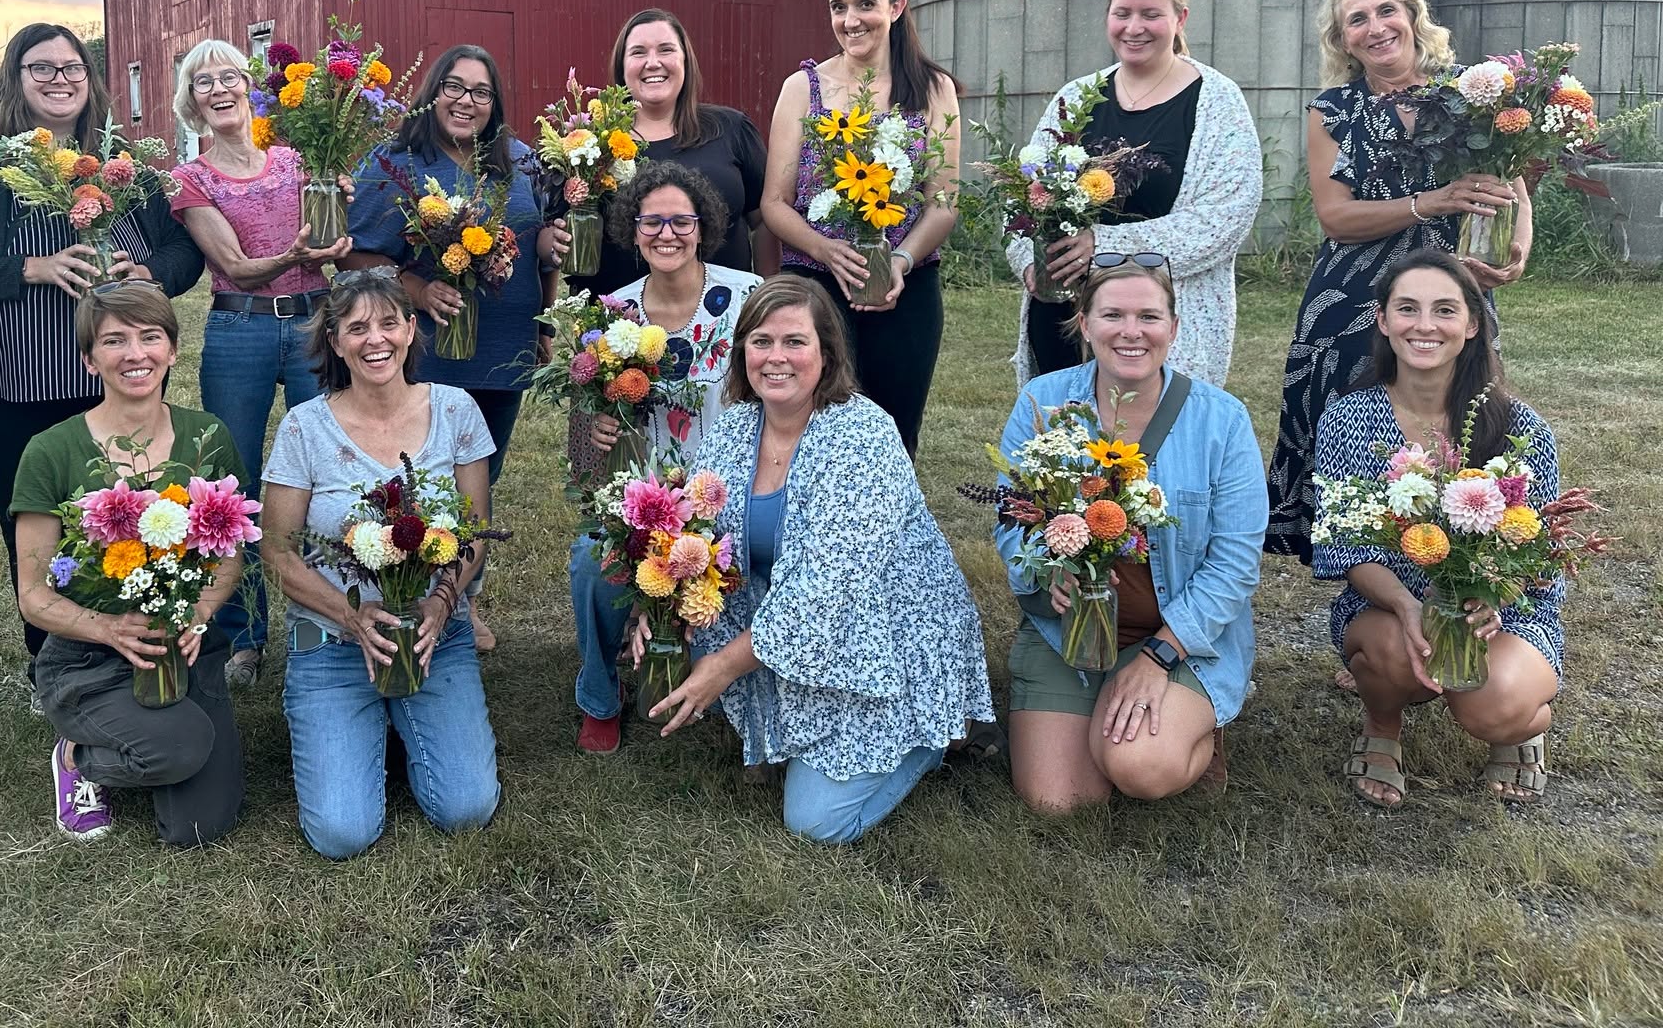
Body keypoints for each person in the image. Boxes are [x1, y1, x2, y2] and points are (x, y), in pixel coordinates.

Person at [646, 277, 993, 845]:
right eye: (760, 341)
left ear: (827, 352)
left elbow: (827, 587)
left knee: (815, 823)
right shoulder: (735, 426)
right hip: (796, 623)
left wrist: (723, 666)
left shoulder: (863, 435)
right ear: (742, 353)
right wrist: (660, 609)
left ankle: (931, 734)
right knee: (772, 767)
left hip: (881, 635)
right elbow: (703, 540)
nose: (775, 358)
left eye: (794, 342)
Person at [0, 23, 204, 676]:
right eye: (41, 68)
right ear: (15, 78)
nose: (59, 80)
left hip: (119, 384)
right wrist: (29, 270)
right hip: (20, 388)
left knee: (124, 519)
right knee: (36, 528)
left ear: (90, 79)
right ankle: (48, 659)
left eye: (71, 68)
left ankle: (123, 643)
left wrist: (149, 273)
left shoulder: (119, 163)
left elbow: (185, 252)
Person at [1265, 0, 1529, 561]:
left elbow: (1511, 179)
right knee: (1354, 427)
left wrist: (1516, 252)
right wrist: (1430, 203)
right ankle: (1361, 567)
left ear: (1412, 16)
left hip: (1451, 291)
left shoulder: (1469, 91)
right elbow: (1335, 216)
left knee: (1458, 415)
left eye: (1386, 11)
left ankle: (1456, 546)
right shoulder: (1333, 110)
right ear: (1343, 40)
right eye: (1356, 20)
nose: (1375, 28)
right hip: (1351, 300)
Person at [994, 257, 1266, 813]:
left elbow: (1236, 563)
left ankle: (1188, 724)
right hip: (1067, 630)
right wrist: (1045, 577)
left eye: (1149, 316)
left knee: (1139, 767)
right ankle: (1100, 707)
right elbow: (1011, 521)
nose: (1131, 332)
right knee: (1061, 800)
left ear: (1174, 327)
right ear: (1085, 323)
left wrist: (1159, 657)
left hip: (1183, 637)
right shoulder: (1042, 404)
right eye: (1113, 314)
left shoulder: (1223, 420)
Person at [257, 269, 501, 858]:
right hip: (333, 643)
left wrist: (443, 606)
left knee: (465, 809)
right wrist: (350, 616)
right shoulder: (304, 428)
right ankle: (366, 727)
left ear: (412, 330)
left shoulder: (455, 410)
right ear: (335, 341)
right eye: (357, 328)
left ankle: (399, 726)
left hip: (432, 638)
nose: (376, 340)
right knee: (342, 834)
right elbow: (278, 550)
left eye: (390, 323)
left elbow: (474, 534)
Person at [1318, 253, 1564, 807]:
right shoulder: (1348, 419)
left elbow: (1540, 548)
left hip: (1503, 609)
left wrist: (1493, 596)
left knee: (1493, 706)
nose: (1424, 325)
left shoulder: (1519, 427)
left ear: (1472, 324)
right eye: (1407, 308)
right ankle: (1382, 726)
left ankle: (1521, 727)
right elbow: (1344, 546)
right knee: (1388, 653)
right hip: (1388, 604)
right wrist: (1408, 606)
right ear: (1383, 321)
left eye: (1444, 310)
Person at [345, 46, 564, 651]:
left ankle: (460, 600)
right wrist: (415, 287)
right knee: (419, 479)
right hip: (428, 353)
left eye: (482, 92)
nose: (467, 101)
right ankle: (402, 593)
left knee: (478, 480)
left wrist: (543, 319)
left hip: (501, 348)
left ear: (495, 105)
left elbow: (536, 240)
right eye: (455, 87)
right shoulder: (394, 164)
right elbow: (358, 253)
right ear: (432, 93)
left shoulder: (518, 163)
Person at [9, 283, 245, 844]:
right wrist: (109, 628)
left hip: (183, 647)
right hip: (89, 655)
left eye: (150, 337)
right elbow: (33, 594)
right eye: (114, 340)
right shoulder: (51, 450)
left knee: (200, 826)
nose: (135, 354)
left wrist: (200, 613)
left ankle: (159, 741)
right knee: (181, 746)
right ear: (90, 359)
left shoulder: (207, 436)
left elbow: (229, 558)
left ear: (173, 350)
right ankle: (79, 757)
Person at [167, 38, 352, 691]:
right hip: (239, 328)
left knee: (327, 470)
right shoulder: (190, 181)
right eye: (202, 82)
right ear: (190, 102)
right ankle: (244, 637)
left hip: (313, 324)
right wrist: (300, 250)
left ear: (249, 88)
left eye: (229, 77)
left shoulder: (297, 160)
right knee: (233, 486)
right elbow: (239, 265)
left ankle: (330, 616)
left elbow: (330, 248)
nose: (218, 88)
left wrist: (338, 222)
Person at [569, 164, 762, 753]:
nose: (667, 232)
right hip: (639, 504)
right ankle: (600, 694)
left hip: (730, 497)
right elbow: (580, 461)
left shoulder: (747, 300)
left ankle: (713, 668)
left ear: (704, 228)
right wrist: (594, 432)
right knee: (589, 559)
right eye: (652, 221)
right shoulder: (609, 316)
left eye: (682, 220)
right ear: (633, 229)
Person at [1007, 0, 1262, 386]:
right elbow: (1024, 192)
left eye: (1151, 14)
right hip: (1065, 315)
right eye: (1122, 13)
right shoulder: (1078, 96)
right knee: (1061, 441)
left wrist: (1103, 246)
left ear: (1180, 18)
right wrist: (1030, 264)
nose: (1134, 27)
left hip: (1157, 327)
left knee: (1152, 444)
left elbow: (1224, 218)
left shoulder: (1217, 102)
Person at [761, 0, 961, 457]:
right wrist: (828, 251)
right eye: (837, 7)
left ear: (897, 7)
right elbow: (776, 204)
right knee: (813, 437)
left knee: (894, 439)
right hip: (816, 291)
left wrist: (900, 258)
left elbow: (944, 201)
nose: (850, 20)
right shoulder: (802, 89)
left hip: (906, 291)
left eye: (865, 4)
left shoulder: (933, 89)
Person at [565, 8, 771, 297]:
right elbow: (561, 231)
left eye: (666, 50)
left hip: (724, 322)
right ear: (621, 67)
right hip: (616, 326)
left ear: (685, 60)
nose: (653, 63)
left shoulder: (732, 129)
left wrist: (768, 294)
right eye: (638, 52)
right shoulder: (592, 144)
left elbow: (764, 222)